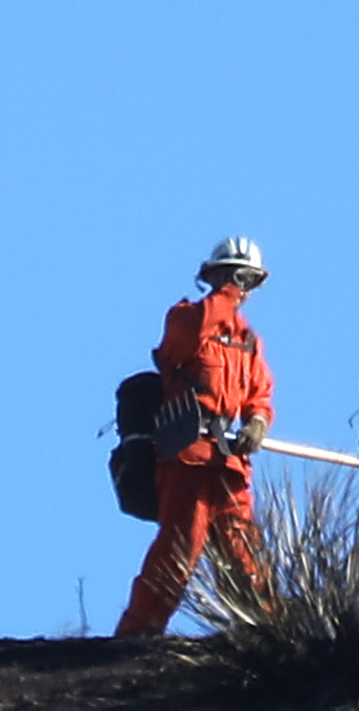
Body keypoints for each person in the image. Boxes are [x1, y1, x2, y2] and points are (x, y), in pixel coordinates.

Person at [114, 235, 275, 640]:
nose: (242, 288)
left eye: (248, 280)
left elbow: (260, 394)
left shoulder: (249, 341)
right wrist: (224, 293)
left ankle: (263, 630)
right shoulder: (186, 317)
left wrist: (256, 423)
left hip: (229, 463)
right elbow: (191, 337)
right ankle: (136, 634)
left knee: (244, 553)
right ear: (215, 277)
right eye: (237, 277)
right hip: (186, 453)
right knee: (180, 546)